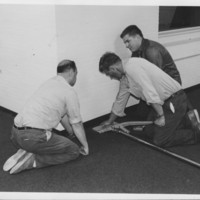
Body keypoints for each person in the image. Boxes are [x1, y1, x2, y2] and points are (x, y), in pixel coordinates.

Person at [3, 60, 89, 174]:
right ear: (71, 72)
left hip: (15, 134)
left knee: (40, 139)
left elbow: (62, 115)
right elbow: (77, 123)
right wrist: (85, 146)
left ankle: (27, 150)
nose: (76, 77)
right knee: (73, 151)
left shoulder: (49, 83)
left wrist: (70, 132)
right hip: (33, 138)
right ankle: (33, 161)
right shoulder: (69, 91)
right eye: (76, 73)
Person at [98, 52, 200, 147]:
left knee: (160, 140)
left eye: (108, 74)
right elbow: (120, 100)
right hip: (162, 102)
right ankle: (184, 120)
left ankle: (195, 135)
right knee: (149, 131)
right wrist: (110, 121)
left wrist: (161, 116)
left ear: (113, 68)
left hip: (175, 100)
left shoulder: (132, 67)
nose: (111, 77)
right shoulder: (125, 77)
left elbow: (149, 91)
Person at [120, 25, 190, 119]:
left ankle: (184, 110)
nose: (126, 45)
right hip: (157, 84)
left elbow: (155, 81)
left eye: (128, 41)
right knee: (141, 115)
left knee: (154, 119)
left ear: (137, 37)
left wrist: (156, 107)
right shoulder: (136, 51)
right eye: (125, 43)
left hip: (171, 86)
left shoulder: (152, 51)